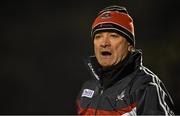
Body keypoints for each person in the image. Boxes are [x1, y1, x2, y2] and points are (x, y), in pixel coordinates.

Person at [76, 5, 175, 115]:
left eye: (113, 36)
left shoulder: (145, 86)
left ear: (130, 46)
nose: (104, 43)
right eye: (98, 36)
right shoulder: (88, 88)